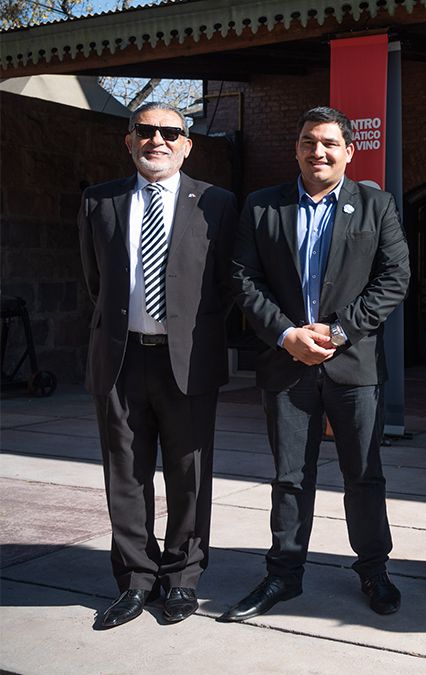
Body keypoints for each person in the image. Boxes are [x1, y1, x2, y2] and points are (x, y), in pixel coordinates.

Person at [221, 106, 410, 621]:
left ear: (350, 151)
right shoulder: (262, 207)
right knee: (289, 476)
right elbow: (242, 279)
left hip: (354, 366)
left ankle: (374, 570)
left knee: (364, 475)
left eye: (329, 142)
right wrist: (287, 335)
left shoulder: (376, 206)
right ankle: (284, 575)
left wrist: (341, 329)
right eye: (308, 141)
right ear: (296, 149)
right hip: (286, 364)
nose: (317, 151)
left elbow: (394, 279)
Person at [79, 102, 237, 630]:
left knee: (189, 476)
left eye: (171, 132)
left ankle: (183, 579)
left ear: (187, 144)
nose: (158, 140)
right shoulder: (99, 202)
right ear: (129, 141)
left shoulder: (216, 202)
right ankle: (135, 582)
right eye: (145, 131)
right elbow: (96, 283)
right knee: (125, 475)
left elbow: (225, 285)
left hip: (187, 361)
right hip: (121, 360)